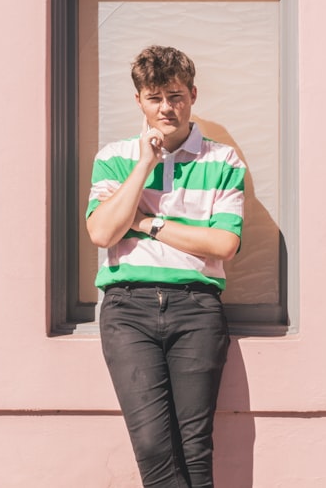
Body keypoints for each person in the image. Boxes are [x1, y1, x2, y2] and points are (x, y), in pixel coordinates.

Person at [86, 45, 246, 488]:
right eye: (155, 97)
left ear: (192, 94)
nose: (167, 107)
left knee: (195, 447)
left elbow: (223, 243)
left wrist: (144, 222)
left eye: (175, 96)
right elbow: (101, 233)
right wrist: (144, 164)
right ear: (139, 101)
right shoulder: (114, 158)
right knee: (154, 449)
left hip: (196, 308)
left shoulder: (222, 160)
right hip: (128, 310)